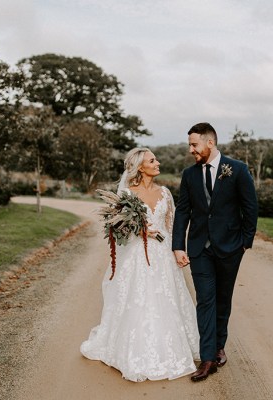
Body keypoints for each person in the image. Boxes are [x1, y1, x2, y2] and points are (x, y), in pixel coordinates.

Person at [80, 147, 199, 382]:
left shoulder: (165, 193)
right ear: (139, 167)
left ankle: (172, 345)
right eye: (152, 160)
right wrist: (141, 230)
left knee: (167, 297)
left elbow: (172, 223)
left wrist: (177, 250)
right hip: (138, 254)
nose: (157, 163)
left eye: (156, 159)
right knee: (140, 298)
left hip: (163, 254)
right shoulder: (127, 194)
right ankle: (136, 351)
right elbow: (120, 227)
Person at [172, 122, 258, 382]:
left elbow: (250, 208)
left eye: (194, 144)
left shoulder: (238, 170)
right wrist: (178, 245)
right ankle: (207, 357)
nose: (191, 150)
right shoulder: (189, 175)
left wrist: (244, 243)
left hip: (230, 248)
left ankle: (219, 345)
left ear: (210, 143)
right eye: (189, 145)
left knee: (223, 300)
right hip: (199, 249)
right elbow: (183, 211)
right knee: (205, 301)